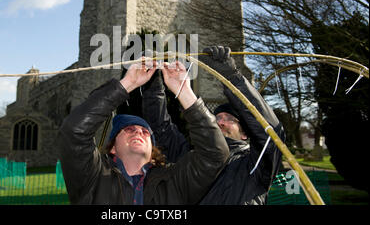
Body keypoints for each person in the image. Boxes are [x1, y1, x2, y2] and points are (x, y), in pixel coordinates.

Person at [57, 58, 230, 204]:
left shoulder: (174, 180)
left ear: (153, 149)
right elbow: (74, 131)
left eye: (145, 131)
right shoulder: (93, 177)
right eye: (129, 129)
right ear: (113, 147)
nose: (138, 132)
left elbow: (215, 154)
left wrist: (184, 91)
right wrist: (127, 83)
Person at [141, 46, 285, 205]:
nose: (220, 122)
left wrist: (232, 77)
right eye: (217, 118)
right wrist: (153, 85)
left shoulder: (254, 165)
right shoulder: (191, 155)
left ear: (245, 135)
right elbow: (161, 129)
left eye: (230, 119)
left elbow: (271, 135)